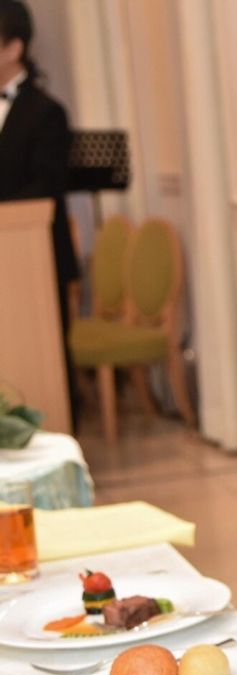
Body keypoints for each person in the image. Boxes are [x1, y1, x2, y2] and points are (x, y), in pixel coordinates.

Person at [0, 0, 80, 422]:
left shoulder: (46, 112)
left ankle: (58, 430)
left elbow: (46, 185)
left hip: (37, 253)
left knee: (46, 355)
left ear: (14, 48)